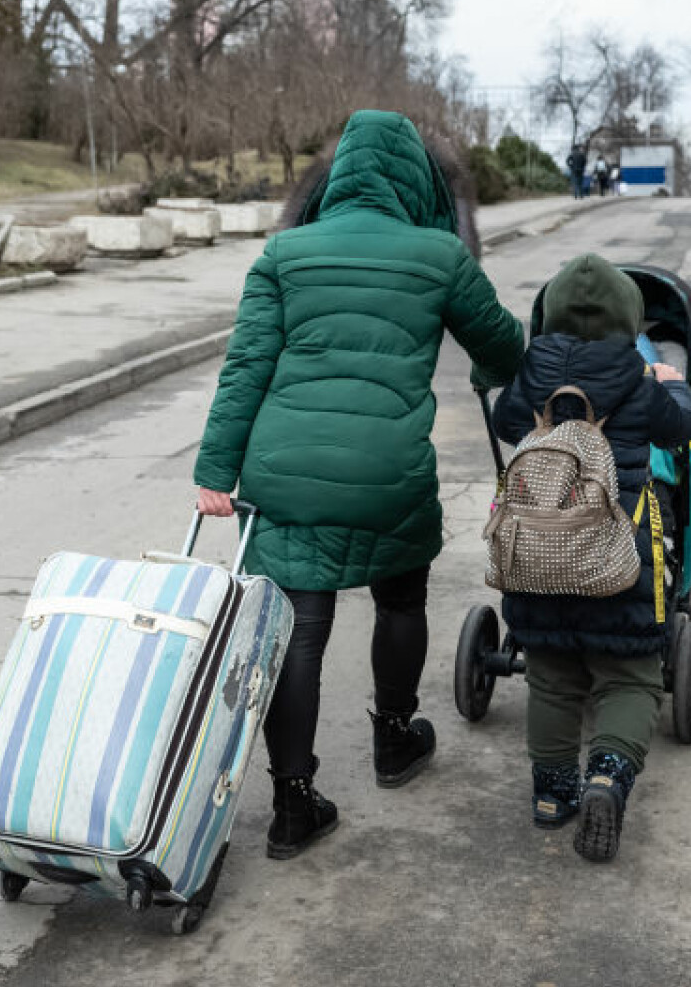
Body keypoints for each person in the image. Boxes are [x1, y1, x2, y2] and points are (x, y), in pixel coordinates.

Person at [192, 109, 525, 861]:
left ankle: (291, 804)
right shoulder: (439, 255)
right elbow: (505, 345)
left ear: (340, 174)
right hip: (388, 472)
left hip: (287, 475)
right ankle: (395, 738)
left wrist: (216, 473)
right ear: (415, 179)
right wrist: (488, 368)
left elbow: (245, 366)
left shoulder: (286, 252)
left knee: (299, 632)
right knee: (400, 598)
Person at [490, 254, 691, 863]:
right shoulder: (636, 377)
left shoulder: (532, 374)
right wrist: (673, 383)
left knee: (552, 676)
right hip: (617, 553)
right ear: (626, 320)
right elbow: (679, 428)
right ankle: (606, 776)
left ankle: (552, 797)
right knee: (629, 673)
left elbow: (506, 423)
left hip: (538, 551)